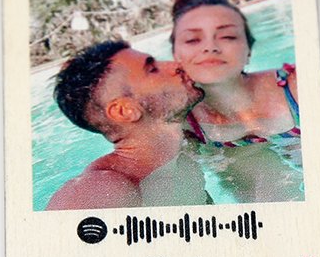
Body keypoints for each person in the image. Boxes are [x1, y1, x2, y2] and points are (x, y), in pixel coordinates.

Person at [170, 0, 302, 202]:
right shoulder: (183, 124)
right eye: (193, 39)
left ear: (249, 50)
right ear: (176, 56)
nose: (210, 47)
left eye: (227, 36)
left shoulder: (297, 88)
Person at [46, 40, 207, 209]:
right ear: (125, 111)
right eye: (153, 69)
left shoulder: (183, 148)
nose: (176, 65)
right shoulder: (103, 188)